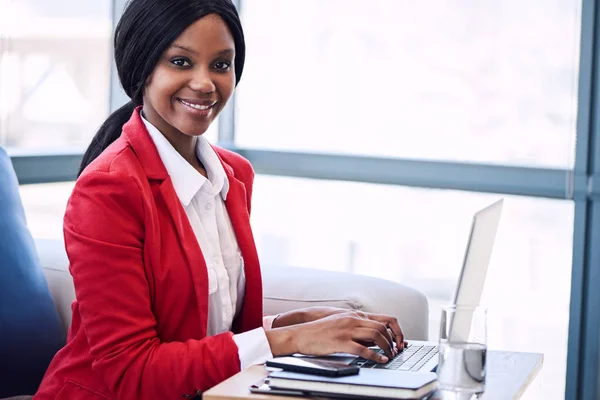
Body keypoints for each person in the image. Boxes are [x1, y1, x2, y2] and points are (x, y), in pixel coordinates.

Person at [34, 0, 406, 399]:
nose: (205, 83)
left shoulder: (233, 175)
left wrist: (293, 324)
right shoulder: (108, 191)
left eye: (221, 64)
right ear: (142, 66)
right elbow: (133, 372)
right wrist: (289, 340)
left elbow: (203, 332)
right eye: (180, 62)